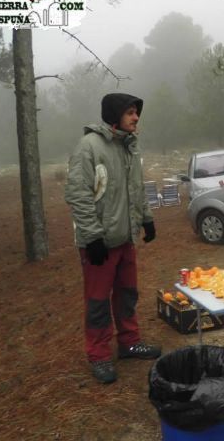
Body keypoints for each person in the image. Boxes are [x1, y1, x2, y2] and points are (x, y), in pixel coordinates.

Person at [65, 93, 162, 384]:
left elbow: (136, 189)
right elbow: (78, 194)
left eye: (137, 112)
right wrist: (93, 237)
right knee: (97, 302)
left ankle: (129, 343)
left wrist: (146, 218)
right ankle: (99, 355)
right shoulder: (89, 147)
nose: (136, 118)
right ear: (115, 115)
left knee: (127, 294)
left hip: (125, 238)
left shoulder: (129, 147)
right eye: (131, 112)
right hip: (100, 243)